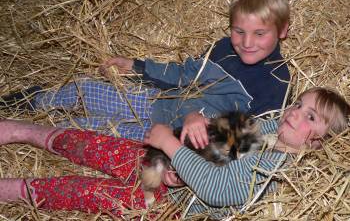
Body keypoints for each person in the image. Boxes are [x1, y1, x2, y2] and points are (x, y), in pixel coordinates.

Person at [0, 0, 290, 149]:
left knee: (88, 130)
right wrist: (137, 67)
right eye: (239, 31)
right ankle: (32, 100)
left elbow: (254, 134)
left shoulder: (276, 80)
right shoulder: (223, 48)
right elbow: (182, 74)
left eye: (259, 34)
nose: (247, 42)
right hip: (156, 102)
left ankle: (28, 132)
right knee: (86, 90)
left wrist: (204, 122)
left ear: (282, 30)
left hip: (168, 137)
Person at [0, 87, 349, 218]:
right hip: (171, 172)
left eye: (309, 117)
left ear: (317, 144)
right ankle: (26, 131)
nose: (293, 112)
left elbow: (218, 191)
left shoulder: (276, 170)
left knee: (90, 194)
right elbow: (214, 141)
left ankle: (15, 190)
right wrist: (186, 142)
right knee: (102, 146)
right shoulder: (270, 130)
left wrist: (170, 146)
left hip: (172, 208)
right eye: (298, 104)